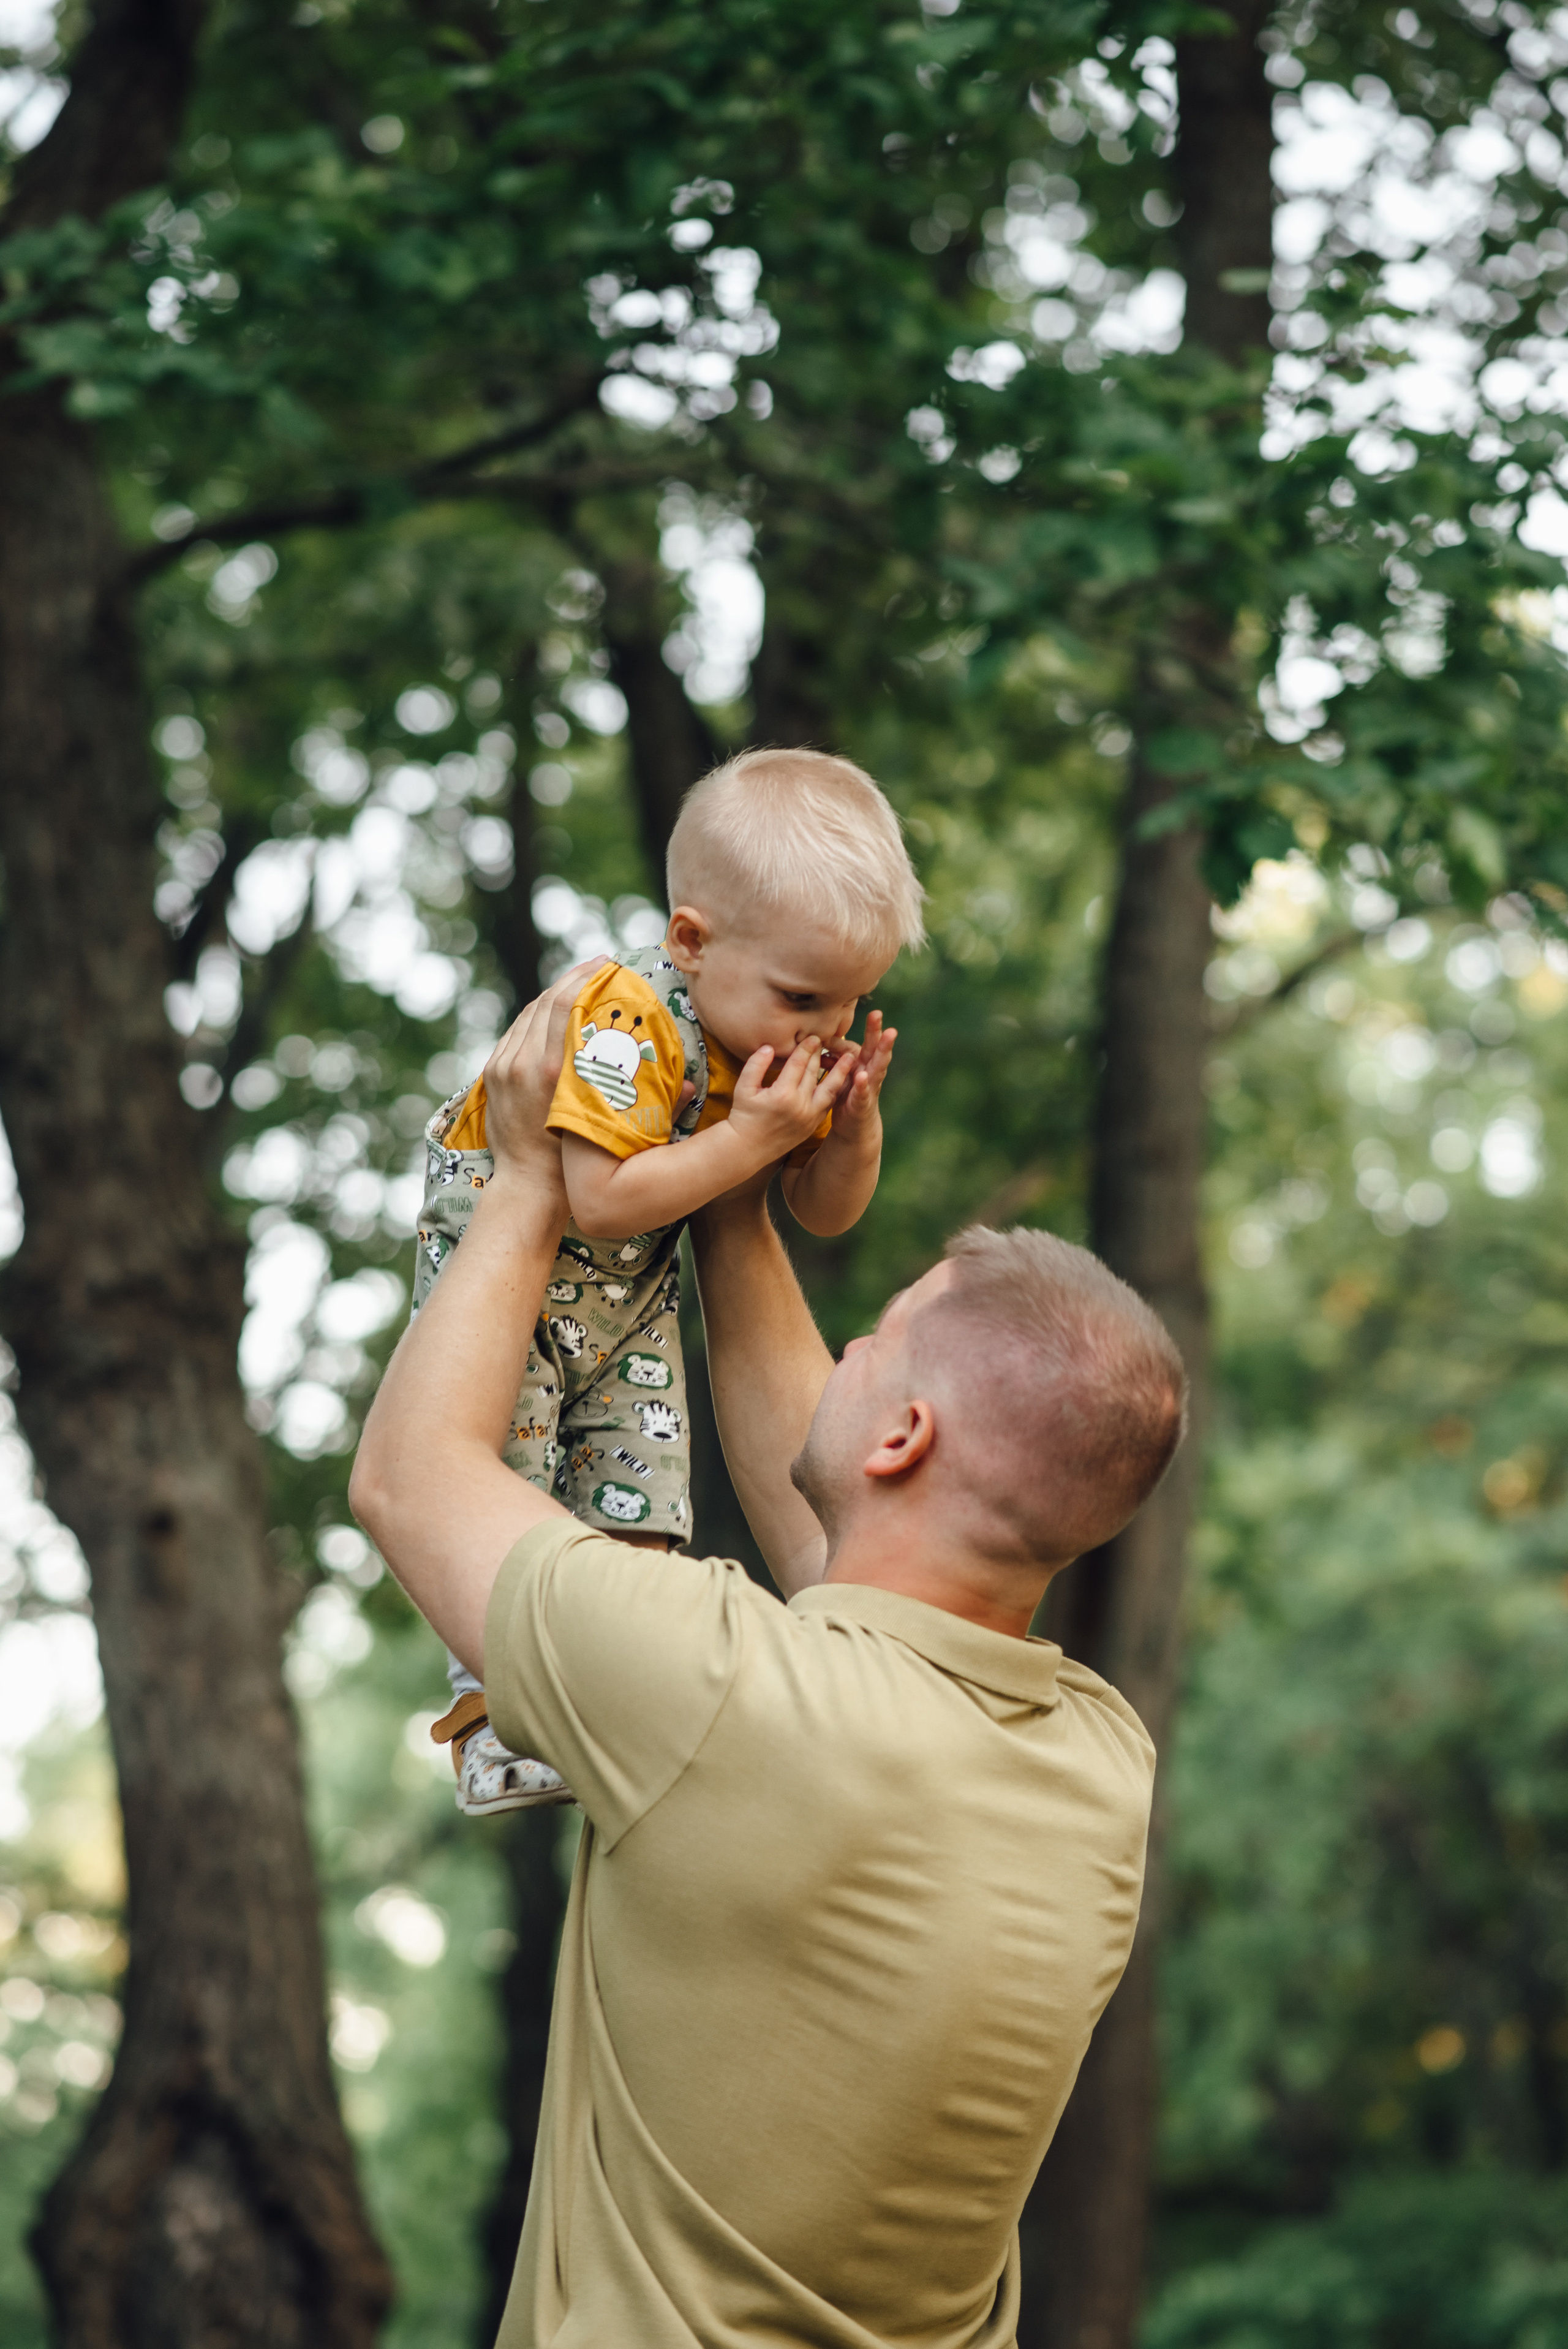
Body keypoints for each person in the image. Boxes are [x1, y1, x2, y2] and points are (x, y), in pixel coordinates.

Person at [350, 966, 1189, 2349]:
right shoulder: (1098, 1765)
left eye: (873, 1336)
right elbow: (850, 1554)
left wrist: (515, 1181)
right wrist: (729, 1181)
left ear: (905, 1436)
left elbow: (409, 1478)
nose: (843, 1344)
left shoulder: (723, 1694)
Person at [414, 747, 924, 1814]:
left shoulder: (771, 1042)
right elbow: (598, 1197)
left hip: (629, 1287)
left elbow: (821, 1214)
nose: (825, 1027)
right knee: (506, 1467)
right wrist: (751, 1139)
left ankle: (609, 1706)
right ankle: (493, 1715)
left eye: (851, 999)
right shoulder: (625, 1015)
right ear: (691, 940)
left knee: (639, 1489)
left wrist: (849, 1136)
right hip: (520, 1267)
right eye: (804, 993)